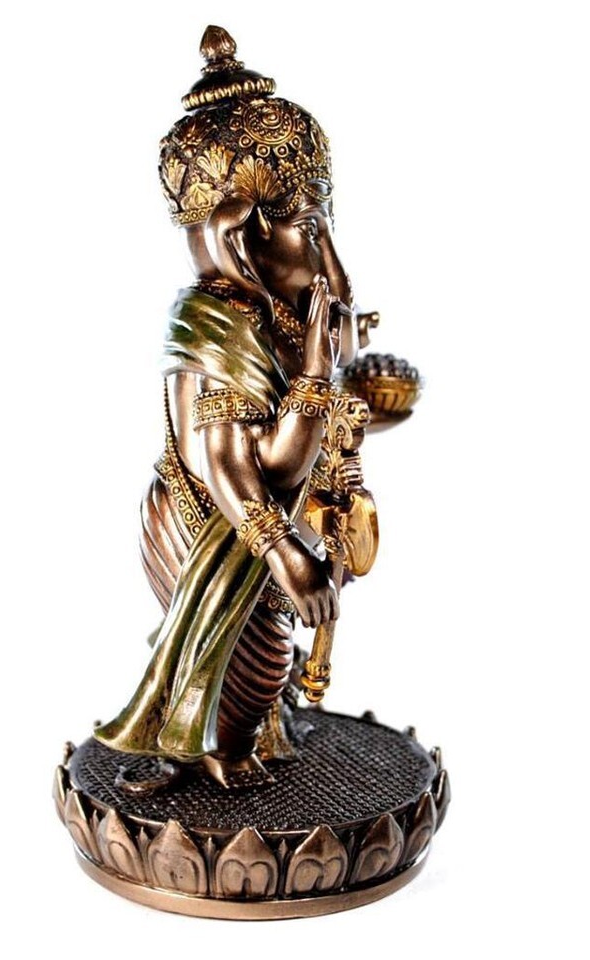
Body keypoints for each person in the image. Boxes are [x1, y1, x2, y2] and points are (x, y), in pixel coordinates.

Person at [93, 26, 363, 788]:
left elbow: (304, 443)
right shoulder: (215, 323)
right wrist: (285, 552)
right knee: (256, 656)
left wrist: (337, 391)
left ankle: (241, 735)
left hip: (265, 513)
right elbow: (245, 462)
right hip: (218, 520)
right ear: (241, 237)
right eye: (310, 229)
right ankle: (207, 749)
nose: (329, 259)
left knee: (271, 657)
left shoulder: (278, 314)